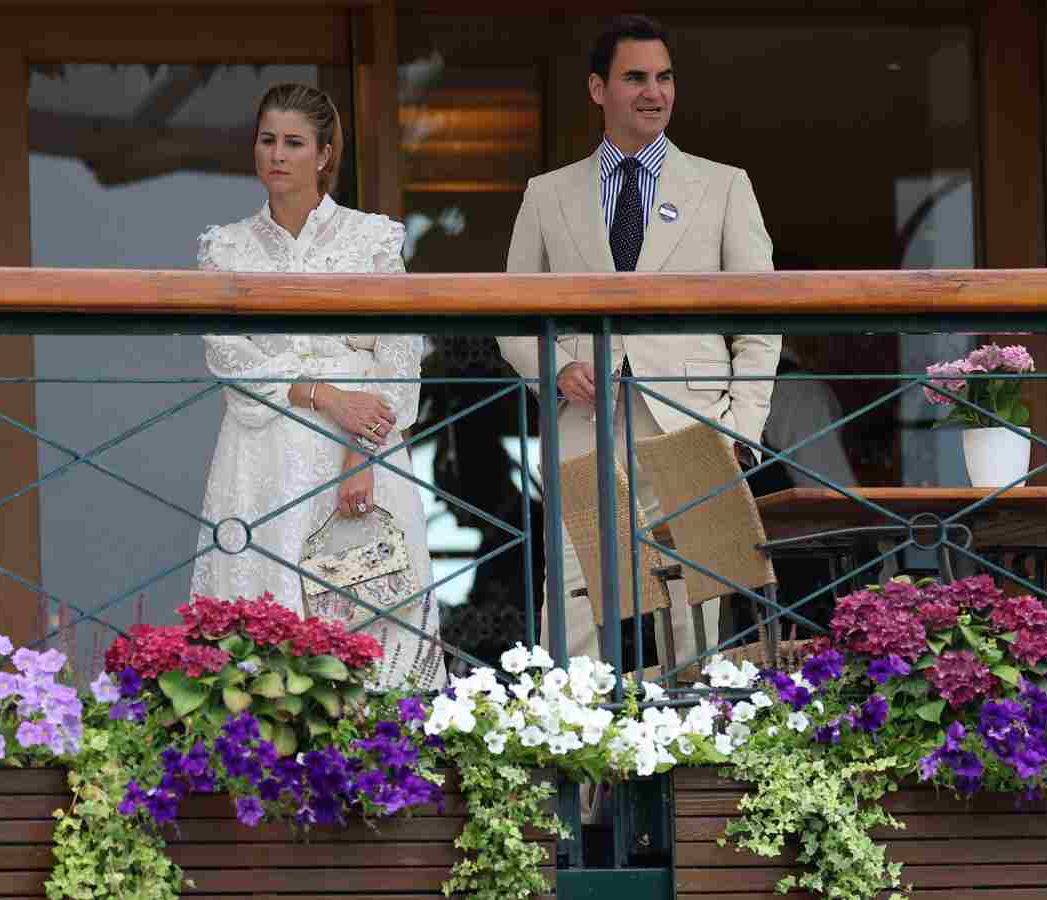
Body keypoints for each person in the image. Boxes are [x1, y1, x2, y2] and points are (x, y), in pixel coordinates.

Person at [498, 14, 780, 665]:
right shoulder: (548, 195)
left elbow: (763, 316)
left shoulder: (723, 185)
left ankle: (690, 756)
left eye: (664, 77)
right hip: (584, 419)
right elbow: (510, 313)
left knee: (697, 603)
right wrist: (559, 368)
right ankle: (565, 742)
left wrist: (742, 427)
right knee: (572, 594)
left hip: (693, 421)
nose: (654, 92)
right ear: (598, 89)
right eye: (635, 78)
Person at [190, 83, 446, 691]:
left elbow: (400, 353)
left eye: (294, 143)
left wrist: (363, 451)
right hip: (261, 454)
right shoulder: (224, 246)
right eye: (267, 140)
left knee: (376, 635)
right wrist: (324, 393)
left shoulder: (373, 238)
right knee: (260, 623)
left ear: (325, 155)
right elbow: (227, 354)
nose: (277, 155)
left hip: (363, 445)